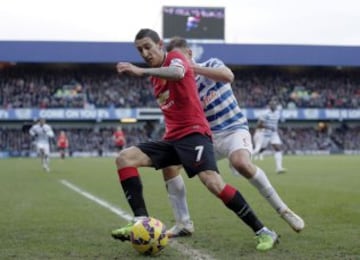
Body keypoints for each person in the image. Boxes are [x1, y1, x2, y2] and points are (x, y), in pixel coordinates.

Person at [111, 28, 278, 251]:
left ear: (160, 44)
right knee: (124, 158)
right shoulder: (156, 78)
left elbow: (178, 73)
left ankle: (264, 231)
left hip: (194, 134)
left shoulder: (175, 58)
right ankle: (141, 221)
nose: (145, 53)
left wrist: (140, 71)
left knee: (212, 182)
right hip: (173, 138)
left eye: (148, 47)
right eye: (140, 50)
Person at [162, 37, 304, 238]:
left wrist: (193, 68)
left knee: (241, 163)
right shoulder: (181, 85)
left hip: (233, 128)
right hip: (207, 137)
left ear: (190, 54)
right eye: (173, 61)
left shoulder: (211, 64)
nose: (179, 63)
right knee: (169, 166)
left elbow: (228, 76)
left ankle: (283, 210)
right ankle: (183, 223)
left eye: (181, 58)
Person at [252, 97, 287, 173]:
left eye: (275, 104)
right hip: (264, 134)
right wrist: (269, 127)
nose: (274, 105)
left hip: (273, 134)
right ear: (269, 105)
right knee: (259, 150)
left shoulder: (278, 112)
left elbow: (281, 118)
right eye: (272, 104)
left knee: (278, 148)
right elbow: (258, 125)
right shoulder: (265, 113)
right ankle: (246, 157)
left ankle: (279, 168)